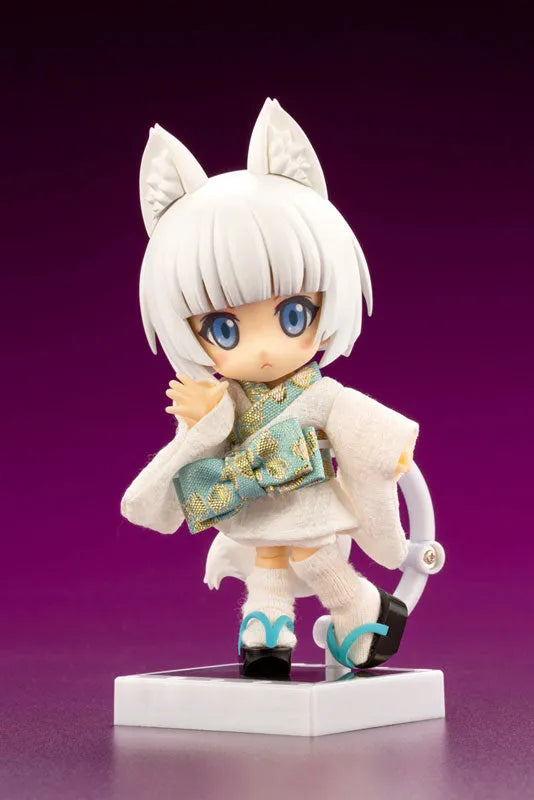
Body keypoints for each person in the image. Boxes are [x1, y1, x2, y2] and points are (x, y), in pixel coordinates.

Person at [121, 98, 418, 677]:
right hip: (253, 498)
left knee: (312, 555)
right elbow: (203, 442)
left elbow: (356, 421)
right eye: (224, 329)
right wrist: (206, 416)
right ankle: (267, 635)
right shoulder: (229, 399)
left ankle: (359, 606)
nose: (262, 349)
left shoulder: (319, 394)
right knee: (268, 561)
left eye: (292, 315)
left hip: (306, 496)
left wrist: (388, 452)